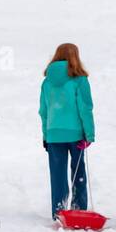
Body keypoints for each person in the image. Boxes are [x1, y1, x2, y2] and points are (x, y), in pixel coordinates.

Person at [39, 43, 95, 220]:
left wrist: (46, 136)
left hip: (54, 133)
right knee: (78, 172)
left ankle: (59, 210)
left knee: (57, 174)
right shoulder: (79, 80)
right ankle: (78, 208)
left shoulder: (47, 82)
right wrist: (89, 134)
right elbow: (85, 108)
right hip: (76, 134)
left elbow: (44, 111)